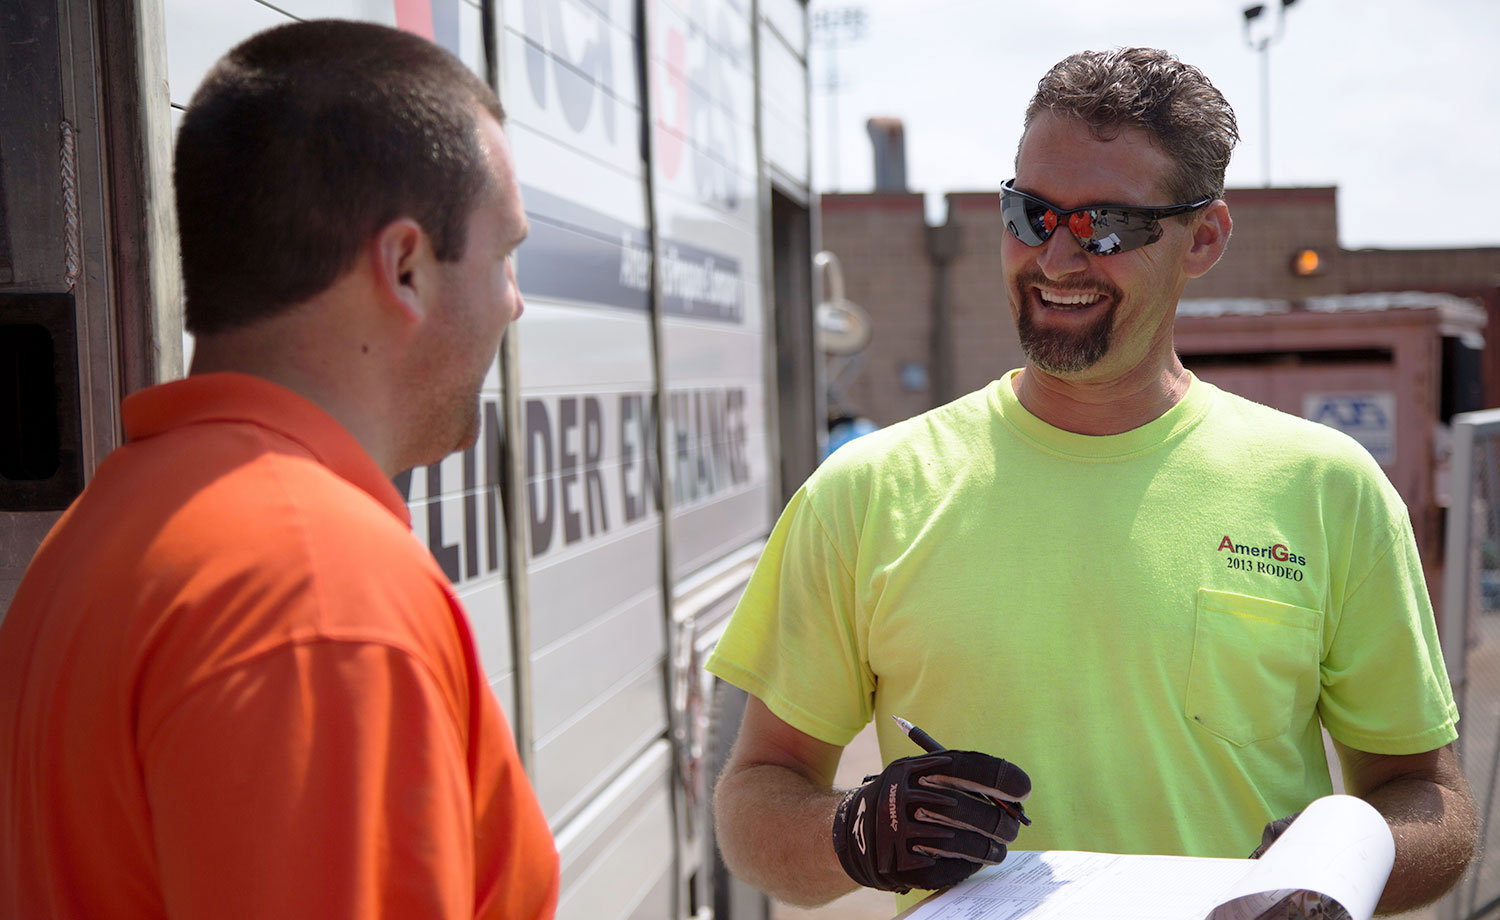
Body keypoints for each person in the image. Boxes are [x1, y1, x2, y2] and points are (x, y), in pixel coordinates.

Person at [706, 47, 1477, 916]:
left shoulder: (1327, 489)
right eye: (1032, 215)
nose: (1059, 260)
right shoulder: (868, 491)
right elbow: (754, 799)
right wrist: (853, 832)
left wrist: (1334, 873)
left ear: (1207, 238)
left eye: (1108, 225)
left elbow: (1429, 800)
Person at [0, 20, 557, 919]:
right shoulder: (318, 596)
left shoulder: (97, 536)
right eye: (505, 256)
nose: (515, 302)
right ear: (406, 266)